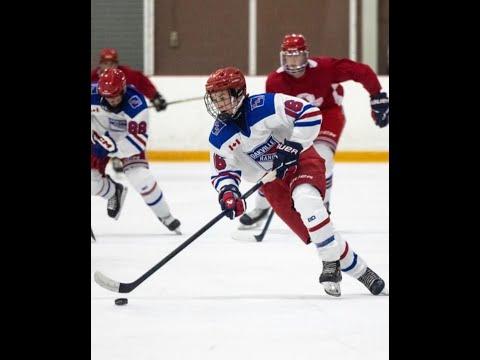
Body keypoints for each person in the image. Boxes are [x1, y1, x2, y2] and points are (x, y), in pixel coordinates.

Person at [204, 66, 387, 296]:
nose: (219, 104)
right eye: (215, 99)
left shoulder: (266, 105)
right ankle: (363, 272)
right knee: (317, 231)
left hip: (300, 159)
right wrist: (229, 193)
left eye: (223, 97)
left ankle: (329, 263)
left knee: (306, 199)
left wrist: (294, 144)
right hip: (270, 182)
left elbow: (309, 113)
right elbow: (223, 171)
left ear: (238, 92)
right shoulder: (219, 135)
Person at [239, 33, 389, 227]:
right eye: (289, 56)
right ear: (282, 57)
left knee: (323, 157)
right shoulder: (275, 81)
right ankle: (262, 205)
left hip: (327, 115)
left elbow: (361, 71)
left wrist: (377, 95)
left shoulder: (325, 68)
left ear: (306, 56)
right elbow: (274, 114)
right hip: (294, 123)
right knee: (273, 163)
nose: (293, 62)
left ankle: (322, 205)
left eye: (297, 56)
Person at [91, 68, 181, 234]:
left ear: (123, 89)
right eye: (108, 96)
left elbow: (137, 141)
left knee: (141, 178)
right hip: (99, 137)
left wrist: (112, 149)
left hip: (126, 141)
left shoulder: (137, 104)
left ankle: (166, 216)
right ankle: (113, 191)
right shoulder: (93, 94)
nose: (112, 100)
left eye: (116, 95)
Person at [91, 48, 168, 173]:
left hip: (121, 118)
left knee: (129, 129)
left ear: (117, 64)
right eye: (105, 63)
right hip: (100, 118)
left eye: (112, 63)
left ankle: (119, 154)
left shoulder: (126, 74)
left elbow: (141, 81)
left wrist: (155, 97)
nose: (108, 66)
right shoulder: (93, 77)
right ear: (100, 64)